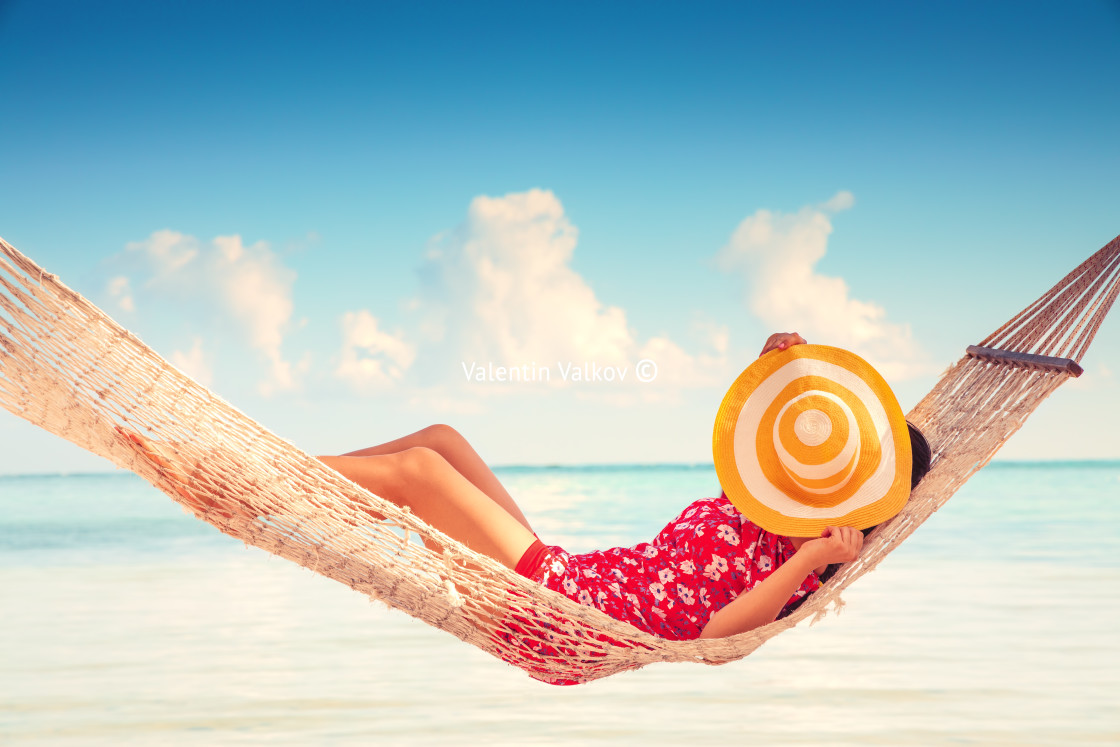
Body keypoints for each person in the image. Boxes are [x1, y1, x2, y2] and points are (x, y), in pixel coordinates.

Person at [123, 332, 931, 642]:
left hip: (564, 618)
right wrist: (777, 367)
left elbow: (716, 636)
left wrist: (811, 560)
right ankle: (273, 478)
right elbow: (776, 437)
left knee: (419, 475)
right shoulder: (775, 495)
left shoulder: (812, 555)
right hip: (568, 579)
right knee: (444, 439)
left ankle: (231, 481)